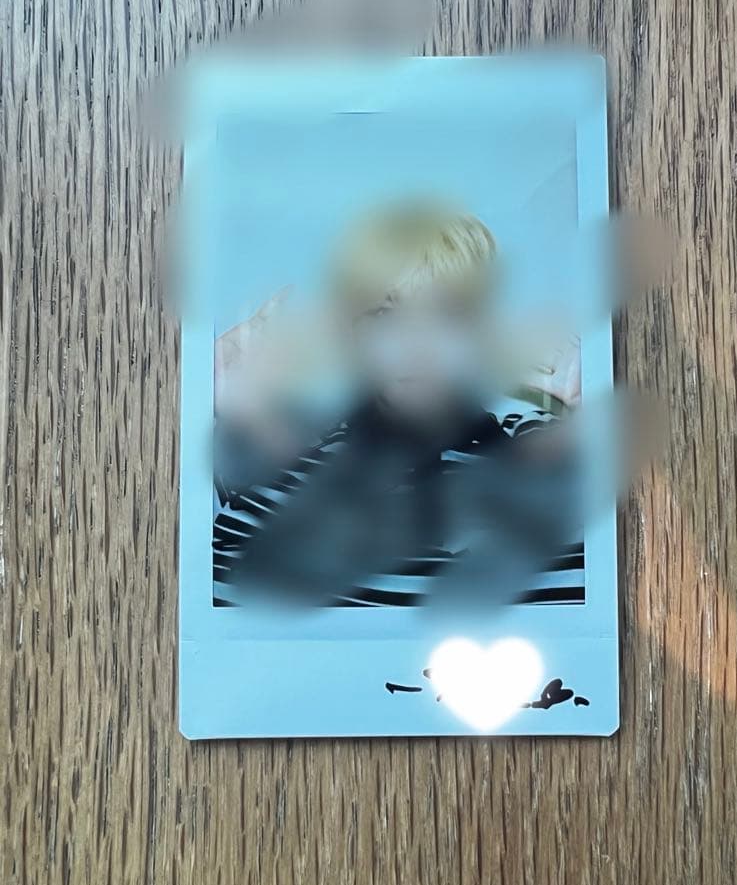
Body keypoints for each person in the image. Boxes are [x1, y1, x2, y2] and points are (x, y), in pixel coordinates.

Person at [212, 199, 583, 609]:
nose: (417, 345)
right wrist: (206, 417)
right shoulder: (280, 454)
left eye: (449, 313)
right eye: (384, 314)